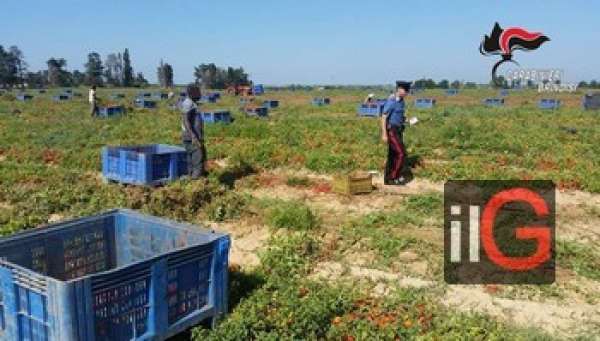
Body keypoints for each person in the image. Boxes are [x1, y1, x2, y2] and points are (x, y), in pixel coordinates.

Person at [381, 81, 412, 186]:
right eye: (405, 90)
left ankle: (388, 178)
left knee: (393, 155)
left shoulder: (401, 102)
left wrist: (408, 120)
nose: (407, 92)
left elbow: (399, 117)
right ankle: (393, 177)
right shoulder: (392, 101)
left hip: (398, 130)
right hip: (392, 131)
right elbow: (384, 117)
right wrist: (384, 134)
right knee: (401, 153)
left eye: (407, 90)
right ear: (399, 89)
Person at [181, 83, 207, 178]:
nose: (200, 94)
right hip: (192, 137)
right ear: (193, 93)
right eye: (198, 92)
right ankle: (196, 183)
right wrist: (193, 136)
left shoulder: (191, 103)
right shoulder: (189, 103)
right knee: (198, 161)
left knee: (198, 158)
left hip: (194, 136)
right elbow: (185, 120)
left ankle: (194, 178)